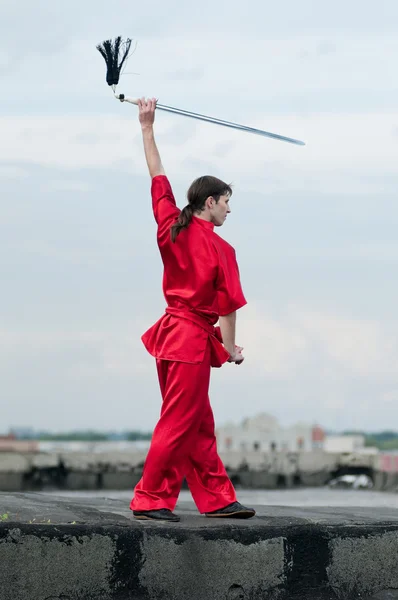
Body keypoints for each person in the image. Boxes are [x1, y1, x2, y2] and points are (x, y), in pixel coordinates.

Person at [130, 97, 255, 522]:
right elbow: (228, 308)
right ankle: (149, 498)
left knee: (199, 425)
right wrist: (232, 348)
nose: (229, 209)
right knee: (179, 423)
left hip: (171, 337)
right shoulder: (222, 248)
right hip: (189, 342)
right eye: (226, 201)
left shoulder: (171, 225)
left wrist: (147, 126)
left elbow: (157, 176)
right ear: (211, 202)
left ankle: (218, 498)